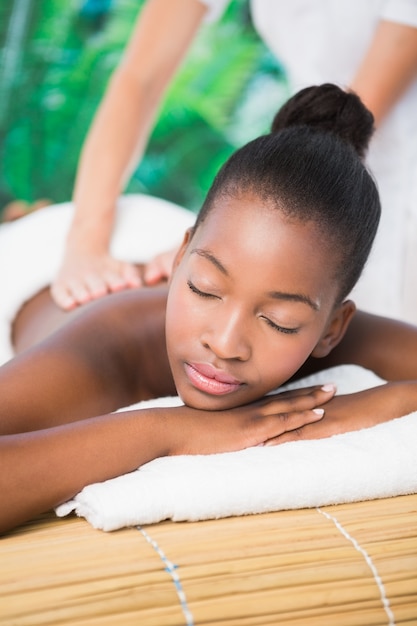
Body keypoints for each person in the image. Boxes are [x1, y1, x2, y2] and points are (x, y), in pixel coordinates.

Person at [2, 85, 417, 535]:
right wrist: (170, 430)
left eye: (279, 322)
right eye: (204, 290)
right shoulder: (103, 352)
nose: (224, 343)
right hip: (39, 253)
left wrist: (392, 399)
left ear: (331, 329)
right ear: (180, 258)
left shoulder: (307, 300)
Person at [50, 0, 417, 324]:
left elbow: (350, 113)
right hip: (309, 174)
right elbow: (140, 78)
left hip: (346, 173)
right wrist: (86, 242)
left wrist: (221, 244)